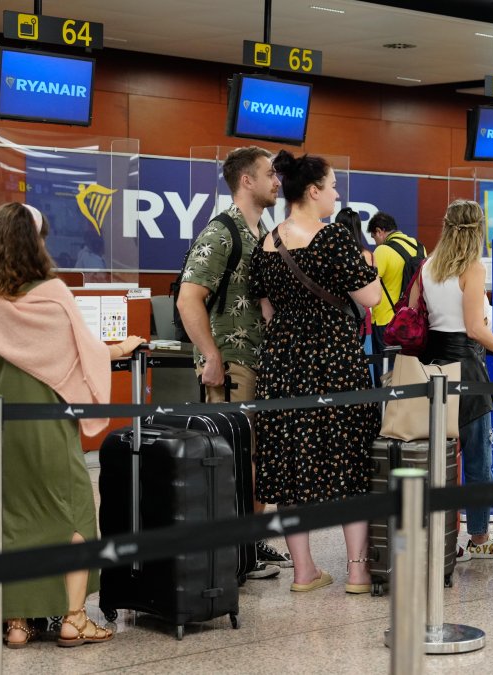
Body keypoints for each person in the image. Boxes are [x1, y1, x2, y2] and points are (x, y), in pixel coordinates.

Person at [0, 203, 144, 648]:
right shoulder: (52, 293)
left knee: (10, 515)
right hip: (46, 413)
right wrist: (122, 346)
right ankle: (74, 618)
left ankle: (17, 623)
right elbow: (84, 352)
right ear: (36, 243)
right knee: (71, 508)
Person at [251, 150, 382, 593]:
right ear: (313, 191)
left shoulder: (267, 243)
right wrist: (370, 268)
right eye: (332, 186)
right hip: (334, 362)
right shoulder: (333, 240)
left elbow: (267, 311)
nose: (337, 194)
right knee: (349, 462)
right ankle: (358, 571)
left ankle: (304, 570)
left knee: (290, 464)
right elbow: (372, 300)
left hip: (282, 363)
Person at [176, 146, 289, 576]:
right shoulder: (221, 232)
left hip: (259, 360)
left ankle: (250, 545)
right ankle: (233, 552)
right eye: (269, 174)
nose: (277, 181)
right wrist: (211, 356)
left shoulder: (260, 231)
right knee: (234, 460)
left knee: (256, 457)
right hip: (232, 360)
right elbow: (190, 298)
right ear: (246, 180)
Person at [417, 200, 493, 559]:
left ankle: (440, 534)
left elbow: (415, 313)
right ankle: (480, 537)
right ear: (477, 230)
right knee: (477, 459)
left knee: (439, 458)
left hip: (432, 368)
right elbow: (474, 329)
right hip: (467, 369)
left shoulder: (427, 267)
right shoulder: (469, 269)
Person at [366, 211, 425, 354]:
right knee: (406, 370)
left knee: (385, 372)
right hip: (413, 322)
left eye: (374, 238)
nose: (375, 242)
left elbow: (369, 286)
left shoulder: (383, 250)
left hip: (386, 321)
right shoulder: (419, 247)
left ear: (379, 231)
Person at [334, 207, 376, 363]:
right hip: (362, 315)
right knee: (365, 364)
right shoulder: (368, 256)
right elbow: (374, 296)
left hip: (338, 316)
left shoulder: (332, 254)